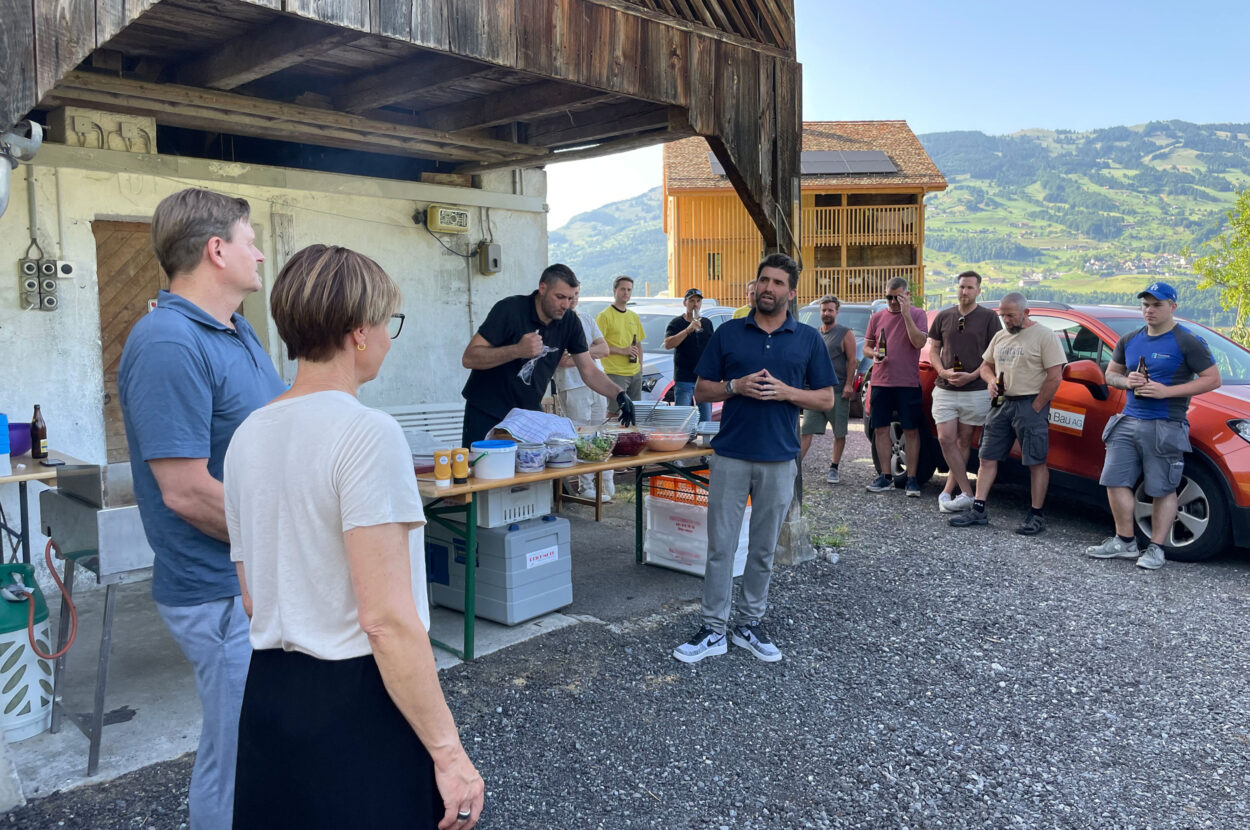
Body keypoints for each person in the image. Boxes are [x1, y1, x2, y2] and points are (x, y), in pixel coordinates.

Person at [225, 245, 484, 828]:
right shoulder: (367, 434)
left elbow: (250, 594)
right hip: (355, 700)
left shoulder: (248, 434)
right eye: (388, 322)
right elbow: (386, 620)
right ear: (358, 332)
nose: (391, 339)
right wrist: (449, 754)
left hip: (269, 691)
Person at [117, 188, 285, 830]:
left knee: (267, 741)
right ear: (217, 250)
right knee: (237, 752)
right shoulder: (167, 342)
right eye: (250, 240)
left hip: (254, 578)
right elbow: (185, 491)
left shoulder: (238, 331)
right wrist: (287, 538)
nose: (261, 253)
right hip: (218, 592)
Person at [672, 253, 835, 664]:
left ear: (791, 292)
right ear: (756, 284)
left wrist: (787, 393)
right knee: (721, 547)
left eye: (778, 283)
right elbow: (701, 391)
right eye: (764, 280)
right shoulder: (727, 333)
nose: (769, 288)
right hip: (730, 454)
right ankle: (713, 628)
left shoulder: (808, 338)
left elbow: (826, 398)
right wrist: (735, 385)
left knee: (763, 548)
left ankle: (748, 623)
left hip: (780, 458)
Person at [1085, 282, 1220, 570]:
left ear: (1172, 306)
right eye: (1145, 304)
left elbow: (1212, 379)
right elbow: (1111, 374)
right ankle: (1125, 541)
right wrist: (1126, 381)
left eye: (1156, 304)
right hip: (1128, 419)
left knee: (1162, 487)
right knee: (1114, 480)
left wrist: (1167, 392)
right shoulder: (1130, 339)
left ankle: (1156, 548)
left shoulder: (1187, 341)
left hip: (1166, 423)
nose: (1149, 310)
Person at [460, 264, 633, 446]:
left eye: (571, 298)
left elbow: (588, 370)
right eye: (559, 297)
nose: (566, 304)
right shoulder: (510, 309)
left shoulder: (570, 321)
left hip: (527, 415)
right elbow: (469, 357)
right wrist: (516, 350)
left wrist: (619, 394)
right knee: (481, 472)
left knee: (530, 473)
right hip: (487, 409)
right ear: (542, 288)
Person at [950, 293, 1066, 535]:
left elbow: (1055, 375)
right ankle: (979, 508)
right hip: (1001, 403)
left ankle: (1036, 515)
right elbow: (985, 366)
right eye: (1002, 315)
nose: (1006, 320)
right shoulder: (1001, 336)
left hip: (1030, 402)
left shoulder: (1045, 336)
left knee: (1035, 461)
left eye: (1011, 315)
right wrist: (991, 380)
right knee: (987, 456)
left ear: (1026, 313)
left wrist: (1037, 406)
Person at [927, 271, 1002, 513]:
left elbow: (994, 355)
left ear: (979, 290)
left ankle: (950, 492)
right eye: (961, 287)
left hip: (975, 388)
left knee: (963, 440)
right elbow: (934, 349)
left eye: (970, 288)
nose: (965, 292)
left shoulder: (989, 317)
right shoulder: (945, 316)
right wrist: (942, 371)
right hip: (946, 387)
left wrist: (972, 375)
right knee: (945, 438)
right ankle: (968, 493)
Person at [863, 276, 928, 496]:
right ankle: (885, 476)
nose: (892, 302)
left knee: (911, 430)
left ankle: (911, 479)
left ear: (906, 295)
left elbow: (919, 343)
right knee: (880, 429)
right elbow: (867, 347)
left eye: (897, 297)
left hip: (908, 382)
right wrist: (874, 355)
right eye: (888, 297)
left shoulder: (918, 314)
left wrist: (906, 313)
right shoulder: (877, 317)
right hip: (882, 381)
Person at [556, 289, 613, 501]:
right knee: (581, 435)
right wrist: (588, 353)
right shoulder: (557, 322)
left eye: (577, 294)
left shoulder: (586, 318)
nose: (573, 299)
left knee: (601, 432)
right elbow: (561, 361)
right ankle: (585, 485)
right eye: (569, 295)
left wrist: (578, 354)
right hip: (571, 385)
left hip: (597, 382)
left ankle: (605, 478)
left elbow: (605, 349)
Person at [799, 295, 854, 483]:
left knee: (839, 432)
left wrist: (848, 384)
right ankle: (795, 467)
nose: (826, 313)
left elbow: (852, 360)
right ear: (819, 312)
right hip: (814, 391)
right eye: (823, 310)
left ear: (837, 311)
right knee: (806, 429)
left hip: (837, 390)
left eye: (830, 310)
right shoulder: (814, 334)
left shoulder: (845, 333)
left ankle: (834, 467)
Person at [595, 275, 646, 416]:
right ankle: (610, 438)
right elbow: (596, 346)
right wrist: (622, 351)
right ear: (614, 290)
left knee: (635, 413)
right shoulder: (604, 316)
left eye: (629, 290)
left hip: (635, 373)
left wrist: (640, 369)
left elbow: (639, 344)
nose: (626, 293)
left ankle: (631, 438)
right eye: (622, 289)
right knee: (614, 413)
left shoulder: (633, 316)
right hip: (615, 373)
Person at [663, 287, 714, 422]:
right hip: (684, 378)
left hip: (704, 378)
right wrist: (688, 329)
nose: (695, 304)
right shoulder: (676, 323)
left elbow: (712, 348)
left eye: (698, 301)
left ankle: (704, 442)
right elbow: (668, 344)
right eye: (691, 301)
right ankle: (684, 442)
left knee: (706, 419)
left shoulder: (707, 323)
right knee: (682, 419)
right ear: (685, 303)